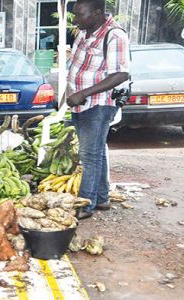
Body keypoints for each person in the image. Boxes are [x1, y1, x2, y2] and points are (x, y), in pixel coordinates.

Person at [66, 0, 130, 219]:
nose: (75, 20)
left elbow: (121, 74)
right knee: (98, 151)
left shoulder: (114, 36)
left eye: (79, 15)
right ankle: (102, 198)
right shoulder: (84, 32)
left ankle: (86, 204)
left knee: (89, 156)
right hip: (79, 104)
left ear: (97, 12)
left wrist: (83, 93)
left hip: (99, 104)